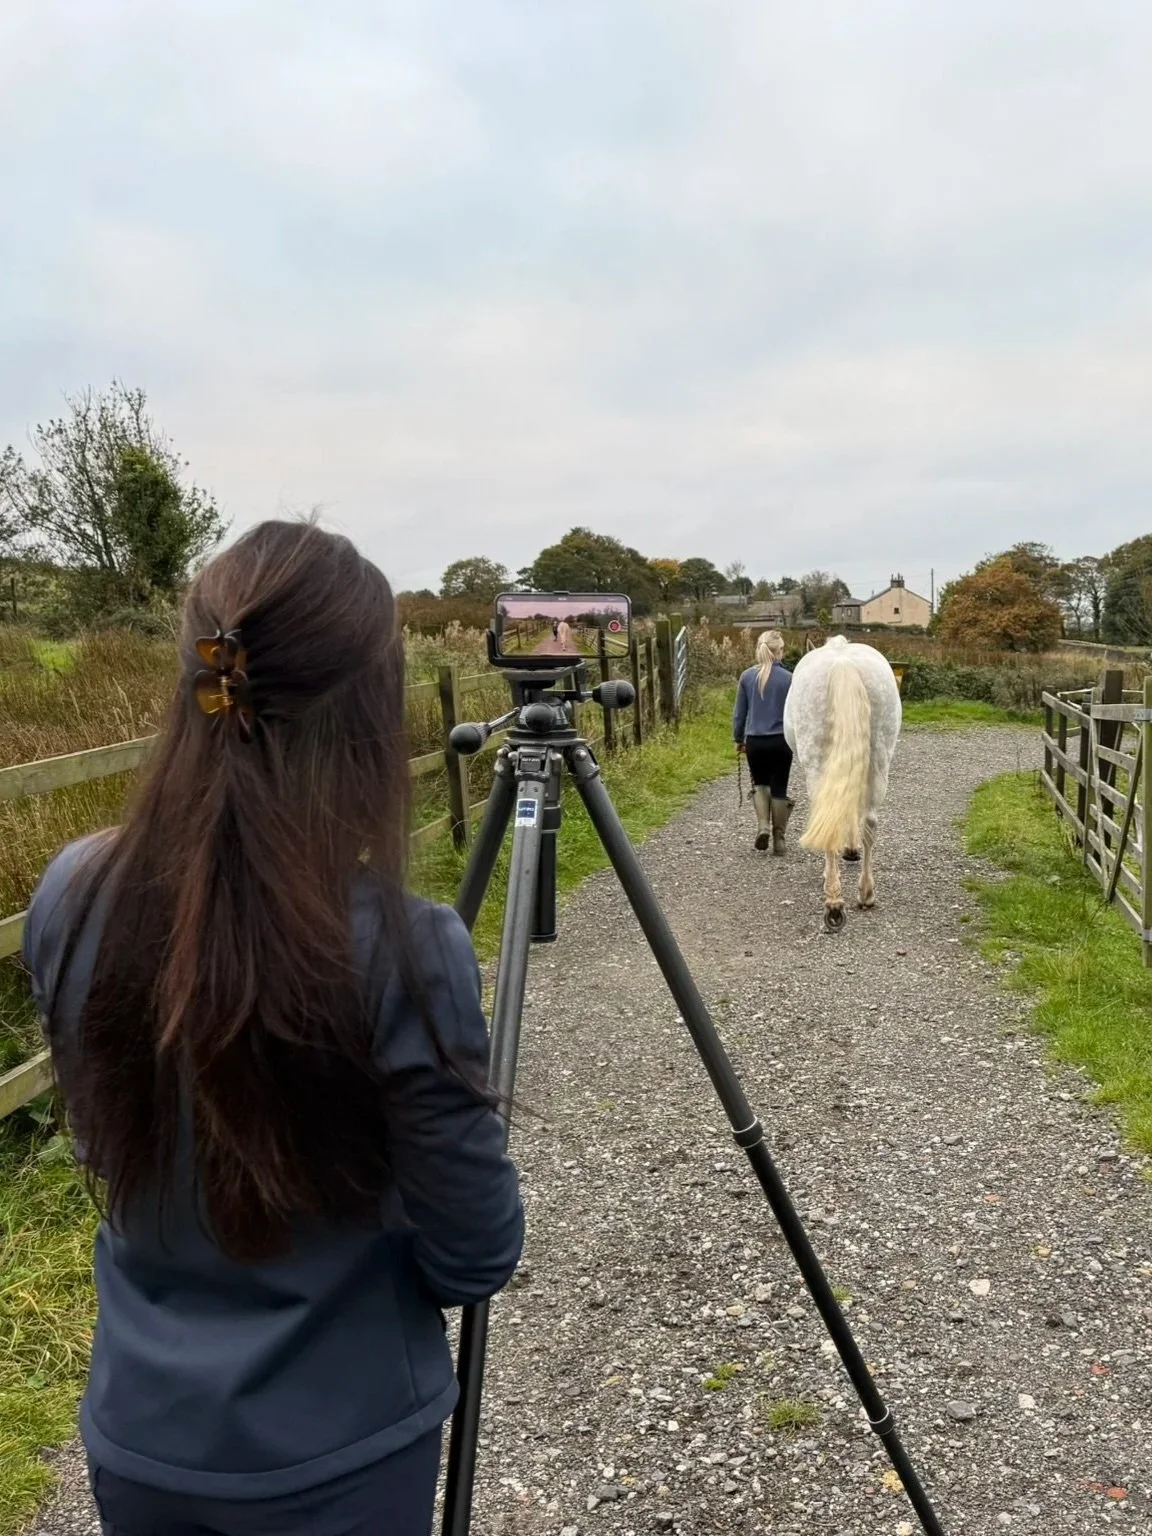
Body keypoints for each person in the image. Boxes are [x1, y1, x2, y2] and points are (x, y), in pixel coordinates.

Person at [22, 520, 524, 1536]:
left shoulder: (71, 893)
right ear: (366, 723)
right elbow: (473, 1253)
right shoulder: (406, 949)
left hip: (143, 1439)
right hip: (341, 1459)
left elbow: (109, 1142)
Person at [733, 630, 794, 854]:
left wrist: (738, 739)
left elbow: (740, 713)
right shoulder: (789, 678)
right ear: (779, 651)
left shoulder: (747, 677)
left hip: (755, 742)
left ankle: (762, 827)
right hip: (781, 742)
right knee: (779, 787)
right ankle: (780, 840)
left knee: (760, 784)